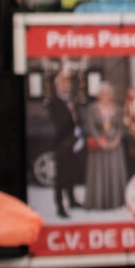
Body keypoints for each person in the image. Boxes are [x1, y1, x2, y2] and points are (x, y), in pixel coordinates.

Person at [82, 73, 126, 210]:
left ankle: (115, 201)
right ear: (98, 95)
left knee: (114, 171)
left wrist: (116, 140)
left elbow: (121, 126)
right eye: (102, 93)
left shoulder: (118, 108)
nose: (105, 96)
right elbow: (90, 127)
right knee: (98, 174)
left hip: (114, 146)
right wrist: (100, 141)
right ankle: (99, 202)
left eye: (107, 93)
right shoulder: (92, 109)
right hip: (99, 146)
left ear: (111, 95)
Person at [45, 66, 83, 218]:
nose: (66, 86)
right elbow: (60, 124)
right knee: (61, 177)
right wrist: (73, 126)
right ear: (57, 85)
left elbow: (78, 119)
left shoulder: (72, 101)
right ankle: (60, 206)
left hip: (73, 143)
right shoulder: (54, 103)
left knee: (71, 173)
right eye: (63, 83)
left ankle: (72, 200)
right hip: (62, 145)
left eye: (68, 83)